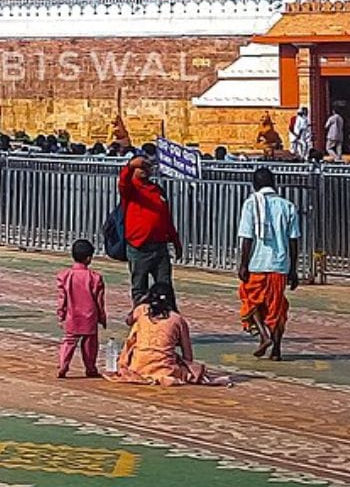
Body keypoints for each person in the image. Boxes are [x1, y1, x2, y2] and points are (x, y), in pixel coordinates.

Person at [236, 167, 301, 360]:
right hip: (280, 265)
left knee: (250, 299)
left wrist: (243, 264)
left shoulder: (250, 204)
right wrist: (293, 269)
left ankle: (264, 335)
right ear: (274, 184)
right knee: (277, 307)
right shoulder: (287, 206)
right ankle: (277, 349)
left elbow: (246, 237)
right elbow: (294, 240)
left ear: (254, 185)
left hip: (257, 263)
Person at [113, 282, 228, 386]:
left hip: (137, 366)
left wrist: (142, 301)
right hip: (165, 369)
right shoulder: (178, 320)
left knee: (136, 328)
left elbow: (128, 320)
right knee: (193, 369)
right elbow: (187, 355)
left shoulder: (141, 310)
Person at [116, 157, 182, 305]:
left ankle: (167, 318)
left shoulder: (158, 190)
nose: (145, 170)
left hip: (160, 246)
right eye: (141, 167)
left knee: (165, 286)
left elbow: (166, 218)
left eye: (147, 167)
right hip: (139, 246)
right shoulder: (131, 190)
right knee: (139, 288)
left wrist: (175, 241)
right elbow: (122, 183)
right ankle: (141, 319)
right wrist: (130, 165)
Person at [54, 239, 107, 378]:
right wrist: (102, 317)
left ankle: (63, 366)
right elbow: (99, 300)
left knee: (69, 341)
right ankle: (90, 368)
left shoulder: (64, 276)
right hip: (90, 316)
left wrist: (61, 314)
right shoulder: (95, 277)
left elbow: (62, 299)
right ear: (89, 258)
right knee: (90, 344)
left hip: (72, 316)